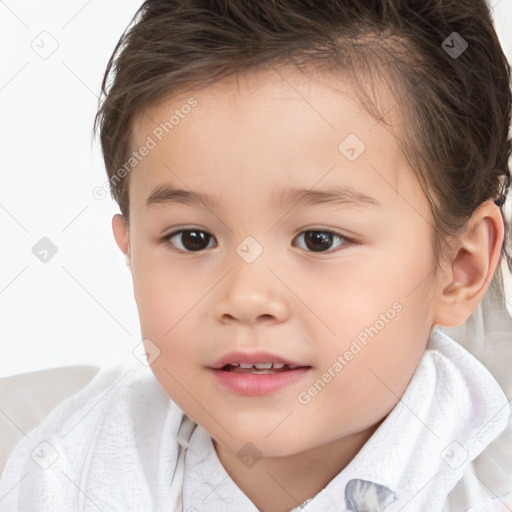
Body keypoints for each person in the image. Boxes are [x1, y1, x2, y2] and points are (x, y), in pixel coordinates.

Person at [1, 0, 511, 510]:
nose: (246, 298)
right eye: (192, 239)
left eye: (319, 239)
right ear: (130, 250)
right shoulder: (61, 471)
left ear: (460, 270)